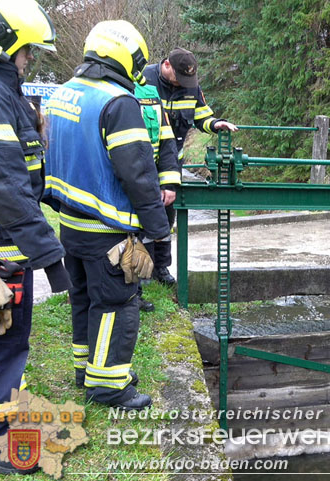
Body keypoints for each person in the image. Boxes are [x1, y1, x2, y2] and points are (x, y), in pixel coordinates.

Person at [43, 20, 170, 410]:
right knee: (116, 304)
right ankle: (110, 386)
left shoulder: (63, 93)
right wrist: (158, 228)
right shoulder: (118, 103)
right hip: (107, 227)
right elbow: (138, 171)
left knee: (84, 300)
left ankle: (87, 369)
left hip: (71, 226)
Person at [0, 0, 71, 474]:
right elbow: (1, 183)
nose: (29, 59)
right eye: (26, 51)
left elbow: (25, 172)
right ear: (1, 43)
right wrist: (51, 255)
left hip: (2, 247)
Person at [142, 47, 238, 285]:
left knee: (167, 216)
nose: (183, 83)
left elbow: (201, 116)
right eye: (179, 77)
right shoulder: (144, 81)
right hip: (144, 162)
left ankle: (161, 269)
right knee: (142, 215)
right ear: (166, 65)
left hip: (174, 163)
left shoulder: (191, 86)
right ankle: (142, 270)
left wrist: (216, 124)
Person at [133, 78, 180, 312]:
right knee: (131, 234)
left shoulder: (150, 93)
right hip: (124, 178)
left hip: (150, 176)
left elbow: (166, 141)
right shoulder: (105, 90)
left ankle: (157, 270)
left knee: (161, 225)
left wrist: (169, 182)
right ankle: (138, 283)